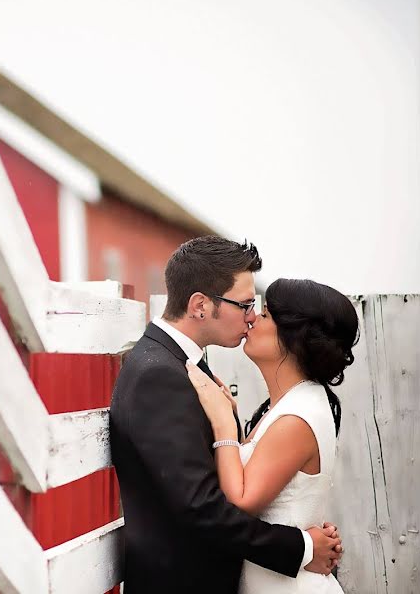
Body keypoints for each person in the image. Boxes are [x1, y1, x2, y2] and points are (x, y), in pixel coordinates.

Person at [109, 236, 342, 593]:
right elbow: (200, 506)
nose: (252, 317)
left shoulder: (180, 365)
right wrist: (301, 548)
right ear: (201, 305)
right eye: (246, 304)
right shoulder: (160, 375)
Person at [187, 277, 359, 593]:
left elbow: (239, 503)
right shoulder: (290, 405)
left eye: (265, 315)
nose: (251, 318)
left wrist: (225, 425)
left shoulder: (297, 416)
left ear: (293, 337)